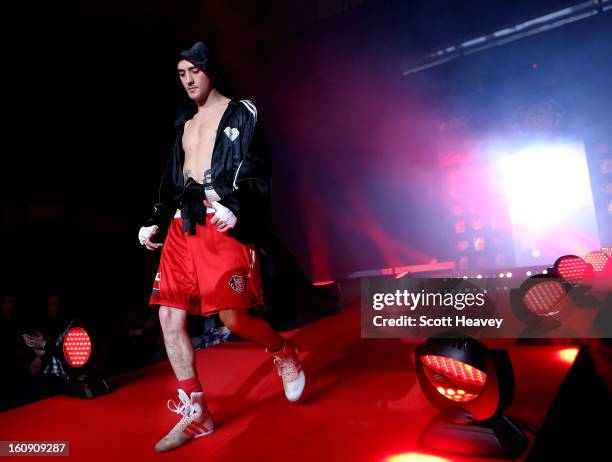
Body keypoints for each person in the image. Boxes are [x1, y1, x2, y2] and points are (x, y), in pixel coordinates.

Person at [138, 41, 305, 452]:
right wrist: (155, 219)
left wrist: (238, 210)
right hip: (183, 225)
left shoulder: (241, 111)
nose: (188, 79)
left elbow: (257, 167)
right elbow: (171, 180)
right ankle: (198, 414)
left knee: (234, 320)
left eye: (194, 70)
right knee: (168, 319)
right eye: (181, 73)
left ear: (211, 70)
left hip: (220, 222)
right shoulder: (185, 124)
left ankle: (284, 350)